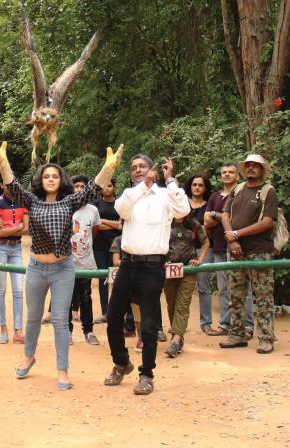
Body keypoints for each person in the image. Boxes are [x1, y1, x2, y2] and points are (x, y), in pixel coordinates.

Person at [0, 139, 122, 390]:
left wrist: (109, 168)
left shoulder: (70, 202)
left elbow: (93, 189)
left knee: (61, 320)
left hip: (63, 269)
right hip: (36, 269)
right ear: (40, 180)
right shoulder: (31, 201)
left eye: (54, 176)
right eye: (46, 176)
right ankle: (28, 357)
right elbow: (12, 184)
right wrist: (2, 161)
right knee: (33, 318)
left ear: (61, 180)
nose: (50, 179)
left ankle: (62, 371)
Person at [102, 154, 189, 396]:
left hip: (152, 267)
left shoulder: (165, 195)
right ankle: (121, 363)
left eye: (143, 166)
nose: (139, 170)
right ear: (131, 174)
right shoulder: (129, 195)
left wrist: (170, 180)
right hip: (128, 264)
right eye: (134, 168)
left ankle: (146, 374)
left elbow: (184, 209)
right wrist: (143, 186)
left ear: (153, 169)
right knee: (113, 317)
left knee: (149, 325)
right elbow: (121, 210)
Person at [220, 154, 278, 354]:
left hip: (259, 253)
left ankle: (266, 338)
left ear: (262, 170)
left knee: (263, 297)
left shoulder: (267, 191)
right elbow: (225, 214)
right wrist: (233, 239)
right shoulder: (237, 189)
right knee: (235, 295)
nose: (251, 168)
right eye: (248, 165)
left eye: (255, 166)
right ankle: (237, 334)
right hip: (235, 252)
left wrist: (237, 234)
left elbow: (267, 222)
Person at [204, 163, 254, 336]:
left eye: (231, 172)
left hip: (241, 248)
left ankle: (248, 327)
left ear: (237, 176)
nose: (226, 175)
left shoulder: (243, 193)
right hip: (218, 247)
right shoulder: (215, 196)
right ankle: (225, 325)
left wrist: (216, 215)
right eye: (224, 172)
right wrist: (221, 217)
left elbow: (242, 219)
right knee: (223, 288)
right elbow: (206, 221)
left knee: (244, 288)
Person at [163, 214, 209, 358]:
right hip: (168, 269)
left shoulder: (194, 224)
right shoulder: (164, 222)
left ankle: (176, 340)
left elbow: (206, 242)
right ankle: (178, 337)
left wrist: (199, 260)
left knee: (182, 304)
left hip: (188, 269)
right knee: (172, 304)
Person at [0, 181, 28, 344]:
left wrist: (8, 230)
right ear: (1, 185)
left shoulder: (23, 201)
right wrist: (18, 227)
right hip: (0, 248)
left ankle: (18, 330)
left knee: (19, 290)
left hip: (16, 248)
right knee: (1, 289)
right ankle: (3, 328)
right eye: (6, 184)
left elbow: (28, 229)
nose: (10, 187)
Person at [69, 175, 101, 345]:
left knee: (86, 297)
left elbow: (94, 231)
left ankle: (88, 331)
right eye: (77, 186)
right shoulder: (66, 206)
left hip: (86, 261)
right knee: (67, 297)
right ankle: (67, 332)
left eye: (83, 186)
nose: (80, 189)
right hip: (67, 262)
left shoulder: (93, 210)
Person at [183, 174, 215, 335]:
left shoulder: (209, 206)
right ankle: (180, 325)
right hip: (182, 250)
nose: (197, 187)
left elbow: (209, 228)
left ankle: (206, 323)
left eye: (200, 185)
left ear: (205, 188)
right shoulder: (182, 204)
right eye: (194, 184)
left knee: (204, 287)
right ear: (190, 186)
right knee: (180, 287)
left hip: (204, 249)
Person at [92, 179, 120, 322]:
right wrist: (114, 224)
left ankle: (115, 312)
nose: (106, 189)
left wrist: (104, 221)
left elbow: (122, 226)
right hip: (99, 245)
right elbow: (96, 226)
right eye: (104, 187)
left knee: (116, 277)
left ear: (114, 187)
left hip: (117, 246)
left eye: (109, 186)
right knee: (102, 277)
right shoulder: (96, 204)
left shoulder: (120, 203)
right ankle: (105, 312)